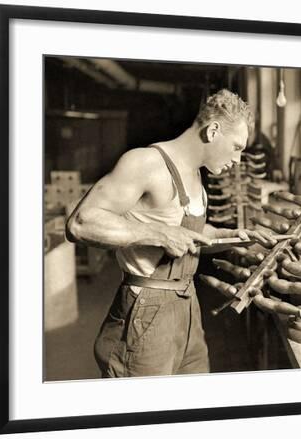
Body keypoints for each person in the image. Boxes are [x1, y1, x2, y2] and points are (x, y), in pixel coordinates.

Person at [66, 89, 276, 378]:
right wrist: (160, 234)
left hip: (187, 306)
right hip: (146, 311)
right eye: (237, 147)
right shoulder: (146, 163)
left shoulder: (195, 174)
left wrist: (234, 235)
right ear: (213, 131)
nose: (238, 160)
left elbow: (191, 234)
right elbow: (81, 223)